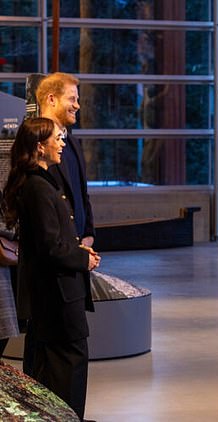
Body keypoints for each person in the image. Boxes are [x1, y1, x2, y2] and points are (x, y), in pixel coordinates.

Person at [1, 118, 100, 420]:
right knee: (67, 366)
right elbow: (50, 248)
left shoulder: (38, 184)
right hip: (58, 296)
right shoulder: (39, 188)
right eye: (57, 139)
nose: (62, 143)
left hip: (56, 295)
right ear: (40, 147)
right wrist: (84, 259)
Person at [36, 72, 95, 248]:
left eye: (77, 100)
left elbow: (82, 193)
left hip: (77, 252)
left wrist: (88, 234)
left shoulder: (73, 142)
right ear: (52, 99)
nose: (77, 106)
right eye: (71, 99)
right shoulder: (32, 141)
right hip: (52, 255)